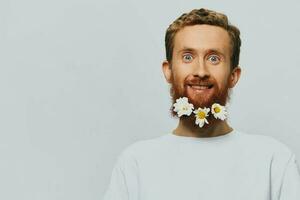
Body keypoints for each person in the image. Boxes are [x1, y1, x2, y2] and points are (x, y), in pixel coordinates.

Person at [102, 8, 300, 200]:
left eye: (214, 58)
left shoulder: (273, 161)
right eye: (188, 57)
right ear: (168, 71)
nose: (201, 71)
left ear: (233, 76)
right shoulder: (135, 163)